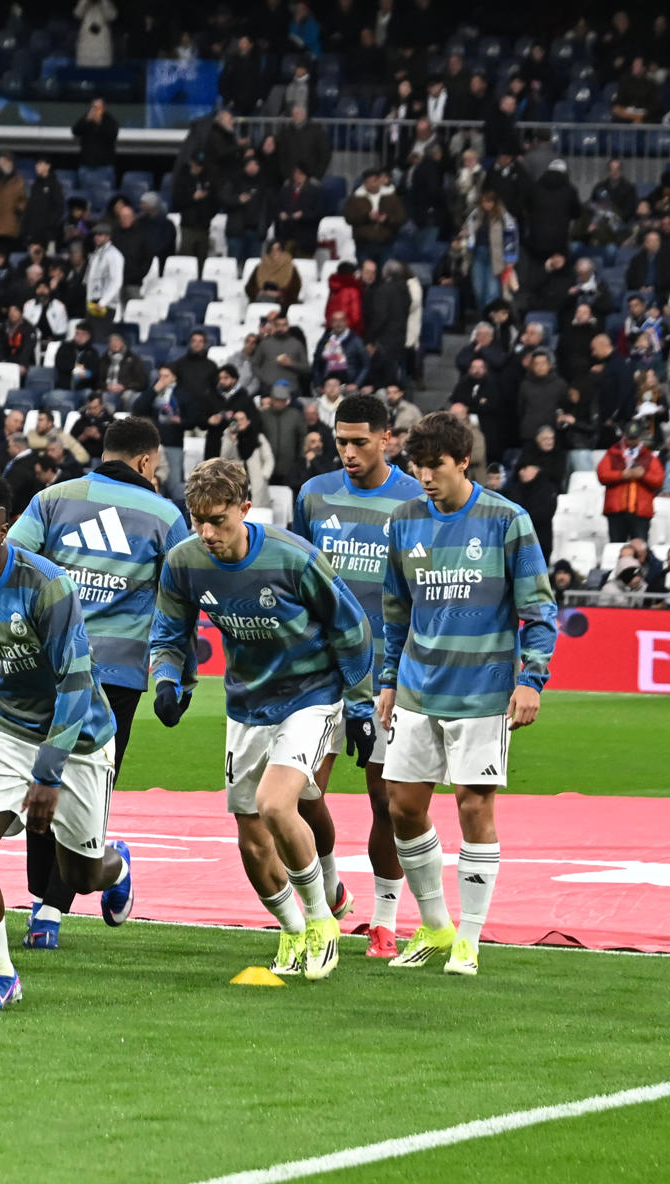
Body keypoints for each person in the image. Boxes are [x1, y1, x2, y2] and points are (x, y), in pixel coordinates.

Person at [149, 458, 371, 981]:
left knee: (276, 804)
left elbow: (352, 628)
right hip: (247, 705)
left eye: (219, 521)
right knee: (251, 837)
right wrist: (168, 681)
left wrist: (359, 705)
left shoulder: (293, 558)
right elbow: (169, 634)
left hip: (311, 694)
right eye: (197, 520)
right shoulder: (184, 562)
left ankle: (322, 923)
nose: (207, 533)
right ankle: (292, 929)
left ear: (245, 510)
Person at [0, 473, 132, 1012]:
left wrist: (48, 773)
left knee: (81, 877)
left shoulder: (46, 584)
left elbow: (74, 680)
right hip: (5, 729)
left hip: (78, 736)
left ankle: (119, 865)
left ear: (6, 527)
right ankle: (1, 975)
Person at [376, 412, 557, 976]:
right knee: (402, 806)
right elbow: (394, 610)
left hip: (482, 691)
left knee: (473, 805)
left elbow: (540, 611)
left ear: (462, 461)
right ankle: (435, 925)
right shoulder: (405, 519)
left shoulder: (507, 520)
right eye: (417, 466)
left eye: (435, 466)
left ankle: (470, 940)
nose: (425, 477)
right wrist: (386, 679)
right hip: (416, 688)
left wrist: (531, 680)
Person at [4, 418, 188, 950]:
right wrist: (175, 674)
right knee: (78, 789)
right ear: (148, 461)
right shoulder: (165, 516)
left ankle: (48, 909)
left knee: (46, 779)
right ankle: (75, 888)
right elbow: (180, 598)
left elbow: (13, 564)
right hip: (120, 674)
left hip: (47, 668)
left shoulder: (53, 499)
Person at [284, 393, 427, 958]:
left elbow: (423, 584)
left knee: (385, 799)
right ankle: (328, 886)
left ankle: (385, 920)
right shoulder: (313, 495)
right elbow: (298, 571)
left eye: (359, 442)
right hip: (319, 669)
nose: (346, 452)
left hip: (387, 674)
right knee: (298, 792)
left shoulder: (415, 500)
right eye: (340, 441)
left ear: (386, 439)